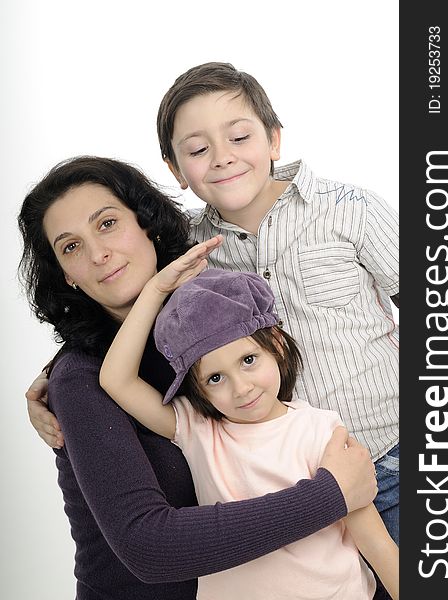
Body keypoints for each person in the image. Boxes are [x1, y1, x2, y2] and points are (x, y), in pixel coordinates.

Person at [27, 61, 399, 541]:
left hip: (390, 449)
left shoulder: (352, 211)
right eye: (199, 150)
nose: (222, 158)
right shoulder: (192, 252)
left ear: (274, 140)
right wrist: (53, 373)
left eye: (239, 138)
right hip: (288, 482)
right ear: (176, 170)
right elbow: (126, 310)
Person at [18, 156, 377, 600]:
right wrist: (331, 495)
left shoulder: (213, 332)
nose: (97, 254)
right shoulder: (80, 379)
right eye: (70, 247)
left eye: (107, 223)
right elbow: (149, 547)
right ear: (65, 277)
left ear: (147, 223)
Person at [99, 267, 399, 600]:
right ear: (198, 390)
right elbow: (115, 379)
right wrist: (154, 290)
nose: (241, 388)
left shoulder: (320, 430)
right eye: (215, 378)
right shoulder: (196, 428)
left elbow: (376, 543)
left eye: (248, 359)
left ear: (277, 345)